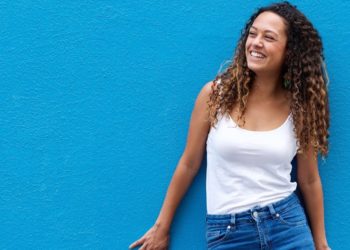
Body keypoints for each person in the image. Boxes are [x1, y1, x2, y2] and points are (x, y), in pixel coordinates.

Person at [129, 1, 331, 249]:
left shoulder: (300, 107)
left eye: (269, 37)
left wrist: (321, 243)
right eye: (253, 33)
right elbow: (189, 163)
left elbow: (309, 180)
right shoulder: (215, 95)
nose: (256, 42)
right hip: (228, 234)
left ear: (289, 51)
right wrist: (162, 226)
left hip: (287, 227)